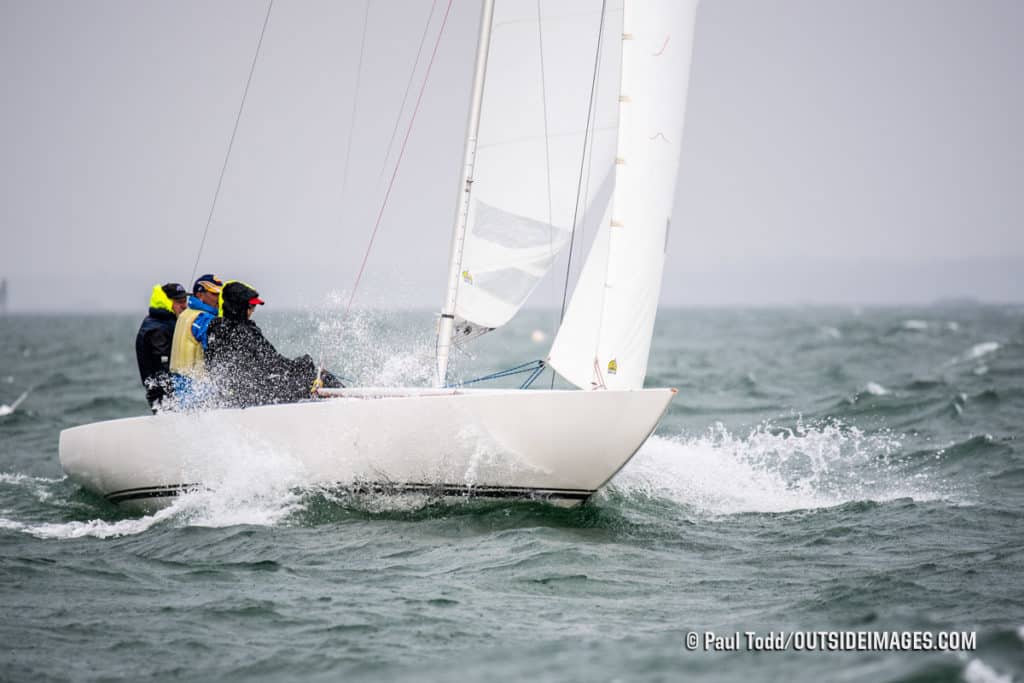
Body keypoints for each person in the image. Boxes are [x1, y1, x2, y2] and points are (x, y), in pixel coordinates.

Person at [205, 281, 343, 407]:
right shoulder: (244, 332)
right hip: (258, 396)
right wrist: (304, 363)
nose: (253, 310)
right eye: (251, 306)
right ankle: (349, 402)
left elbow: (213, 365)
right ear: (238, 307)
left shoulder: (216, 329)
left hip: (235, 397)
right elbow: (274, 364)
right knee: (319, 377)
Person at [135, 282, 188, 411]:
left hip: (166, 394)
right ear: (167, 302)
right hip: (163, 396)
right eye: (179, 302)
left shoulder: (164, 321)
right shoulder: (158, 329)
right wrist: (176, 397)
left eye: (185, 300)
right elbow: (162, 370)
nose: (185, 306)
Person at [170, 274, 223, 380]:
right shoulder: (204, 318)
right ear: (200, 295)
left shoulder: (185, 314)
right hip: (195, 383)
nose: (219, 298)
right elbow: (216, 349)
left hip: (177, 379)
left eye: (220, 294)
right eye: (214, 293)